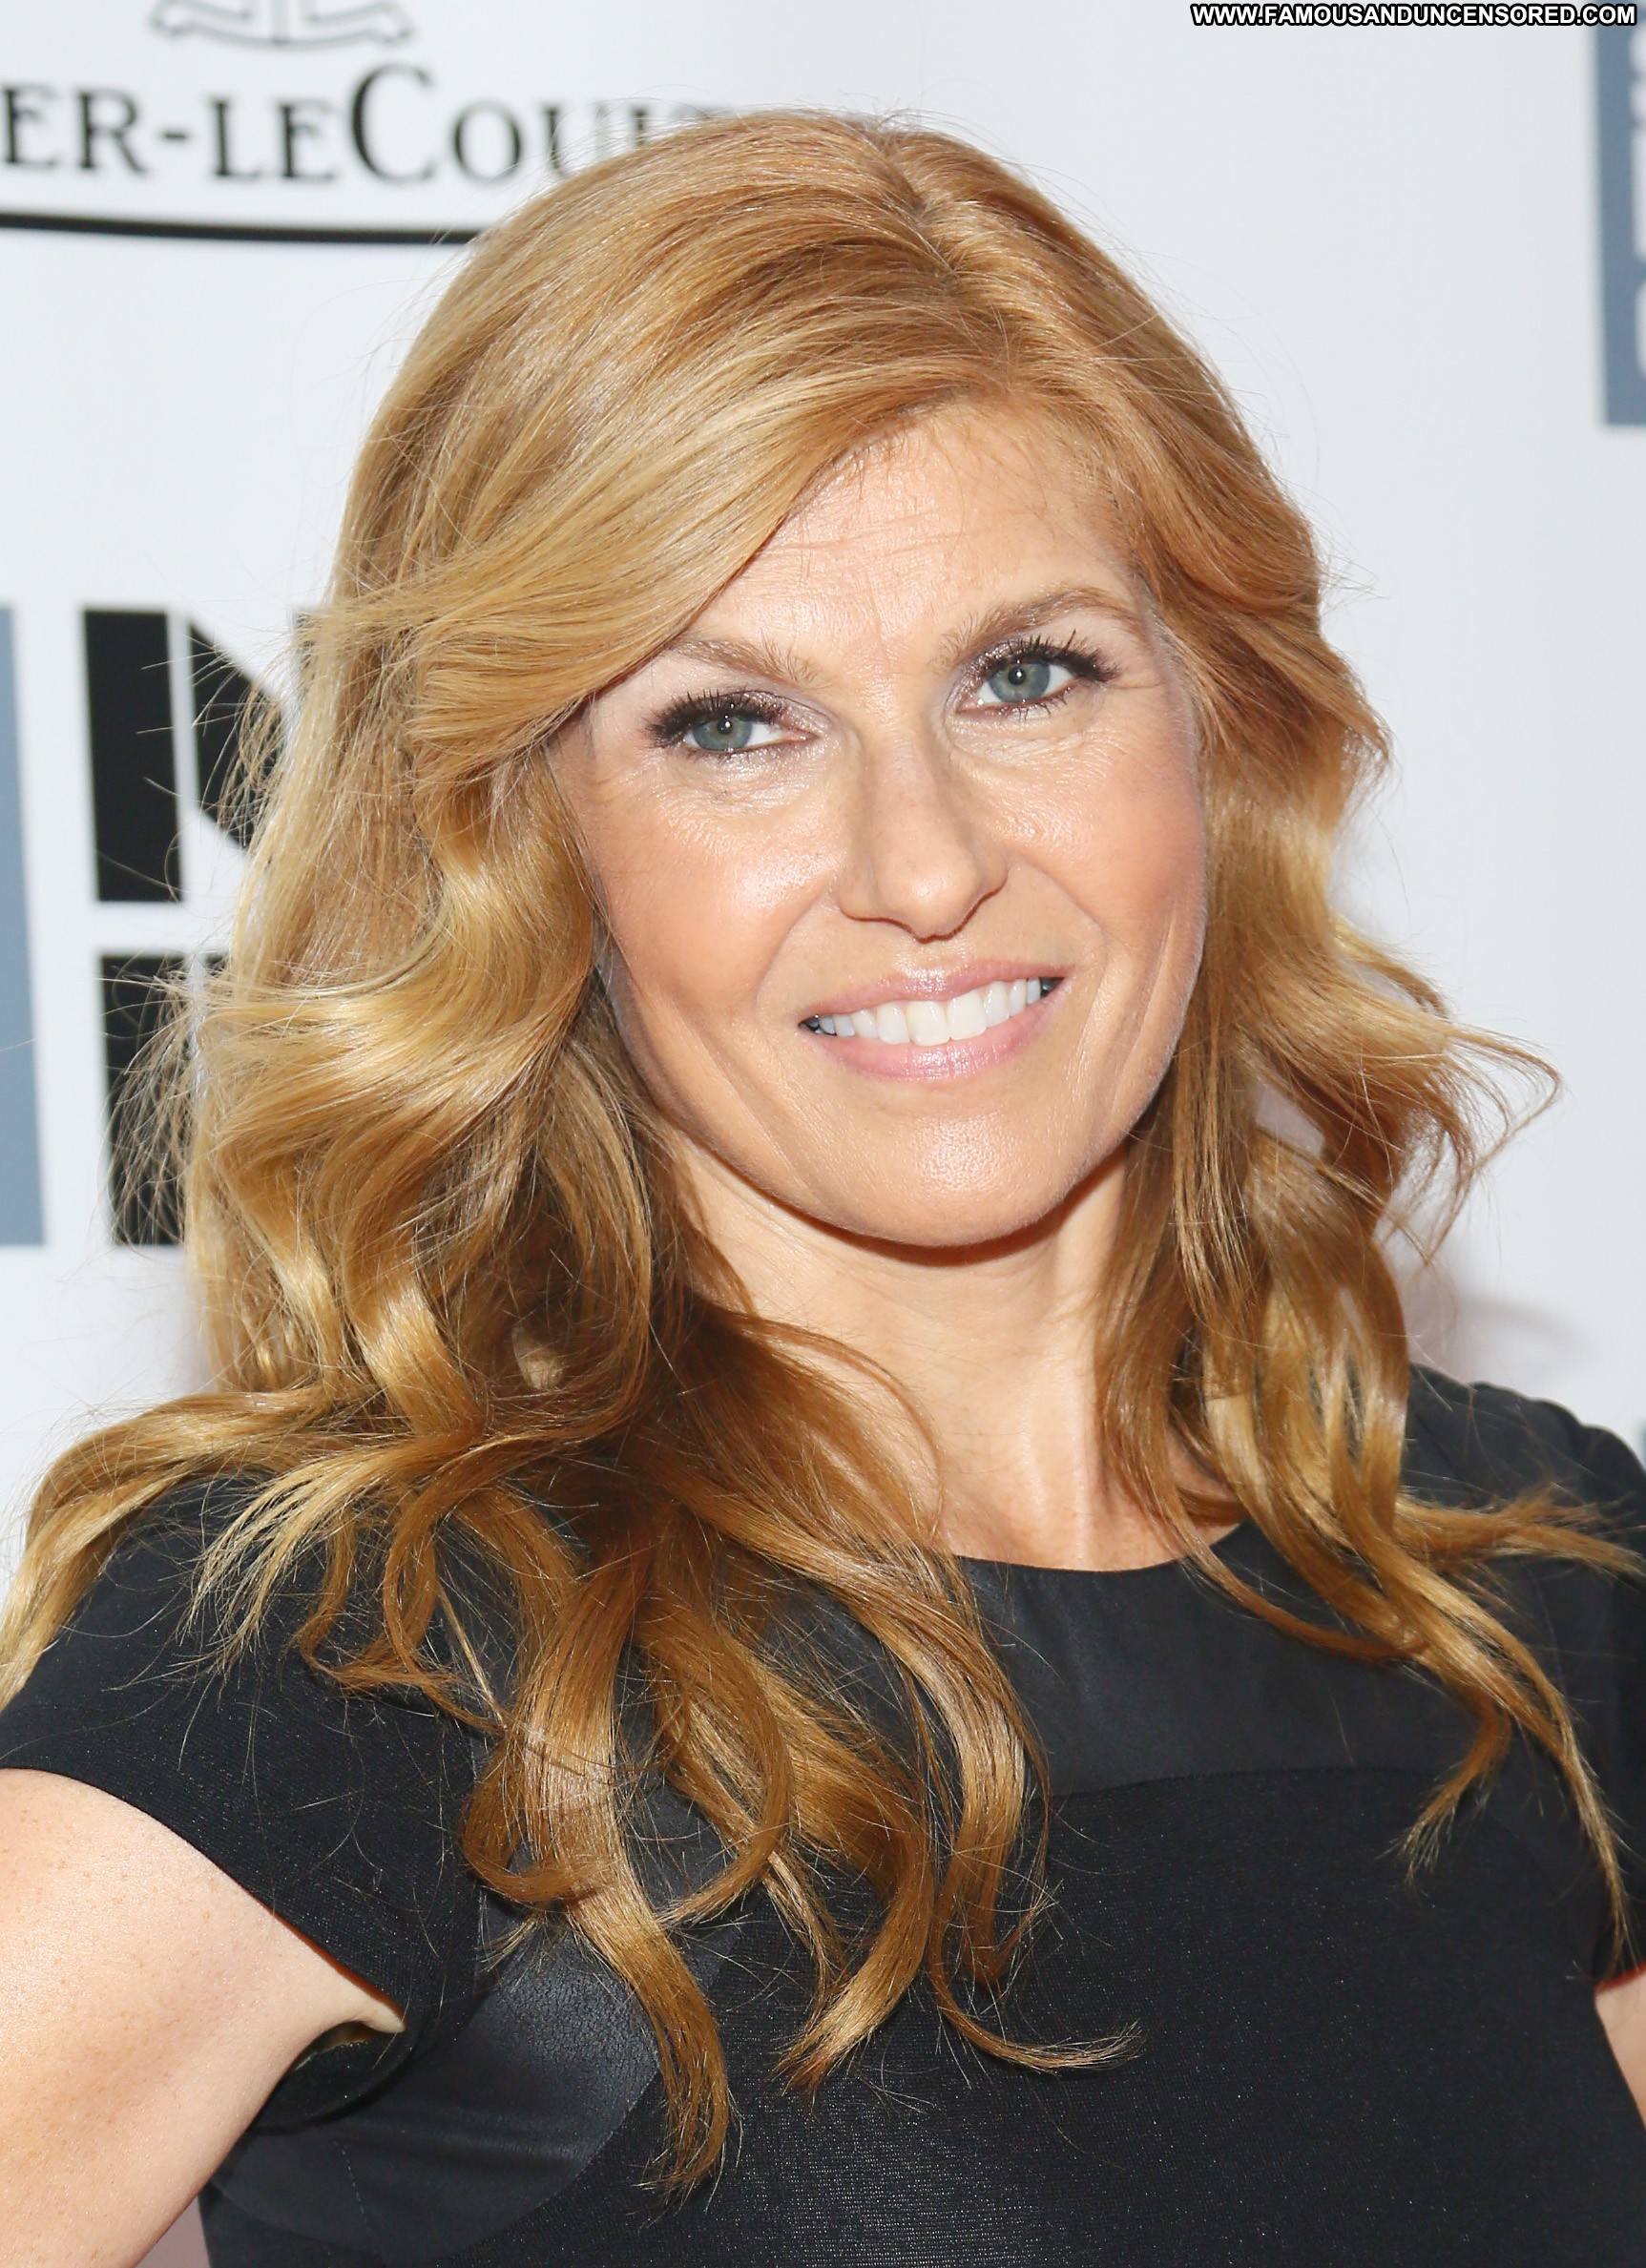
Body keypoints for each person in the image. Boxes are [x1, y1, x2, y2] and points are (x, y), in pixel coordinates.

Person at [0, 110, 1642, 2268]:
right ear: (529, 839)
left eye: (1025, 675)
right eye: (732, 725)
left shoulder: (1528, 1588)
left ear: (1216, 731)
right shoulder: (363, 1655)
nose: (923, 863)